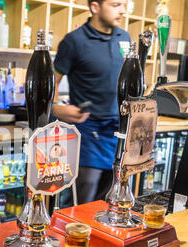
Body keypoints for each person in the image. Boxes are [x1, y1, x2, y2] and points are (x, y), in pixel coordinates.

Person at [52, 0, 130, 206]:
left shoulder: (125, 38)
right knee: (83, 199)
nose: (122, 10)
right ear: (95, 7)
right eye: (115, 5)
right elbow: (52, 80)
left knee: (108, 199)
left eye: (123, 4)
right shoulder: (74, 41)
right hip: (87, 132)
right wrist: (57, 107)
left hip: (118, 131)